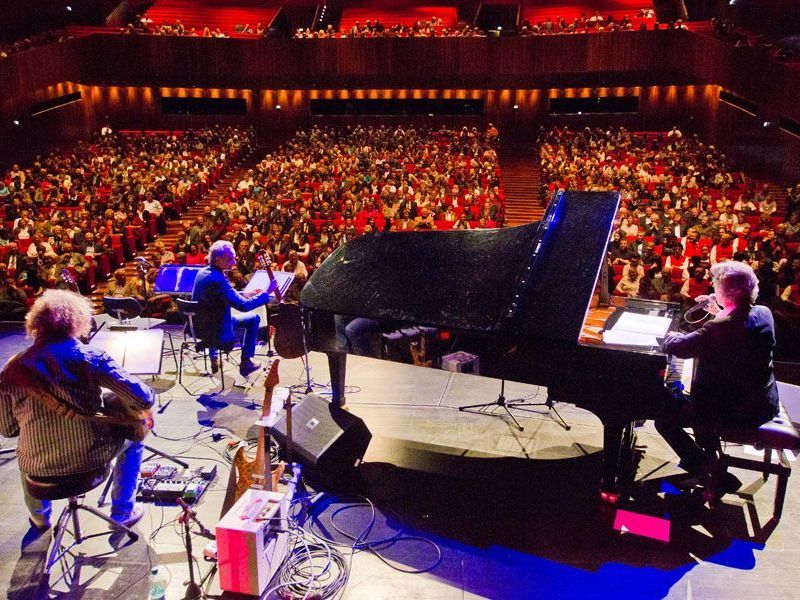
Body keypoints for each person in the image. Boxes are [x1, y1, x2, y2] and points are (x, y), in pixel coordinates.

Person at [0, 290, 154, 531]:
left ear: (36, 324)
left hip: (37, 470)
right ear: (78, 321)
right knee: (135, 438)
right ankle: (122, 513)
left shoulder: (14, 367)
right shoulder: (89, 357)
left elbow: (8, 430)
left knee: (26, 449)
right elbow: (143, 398)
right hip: (89, 460)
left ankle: (40, 517)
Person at [655, 262, 780, 499]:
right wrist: (720, 310)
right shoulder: (763, 313)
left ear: (727, 292)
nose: (713, 289)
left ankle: (708, 471)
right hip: (762, 401)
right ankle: (711, 461)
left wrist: (670, 334)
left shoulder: (721, 327)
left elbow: (679, 347)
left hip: (738, 411)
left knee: (665, 419)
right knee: (700, 397)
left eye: (716, 286)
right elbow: (736, 332)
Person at [191, 240, 276, 377]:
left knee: (222, 314)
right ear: (218, 260)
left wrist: (245, 294)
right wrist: (266, 293)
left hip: (200, 327)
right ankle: (246, 363)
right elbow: (243, 306)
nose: (234, 262)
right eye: (230, 259)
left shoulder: (203, 272)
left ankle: (214, 356)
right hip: (217, 330)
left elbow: (222, 294)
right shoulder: (218, 279)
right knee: (254, 318)